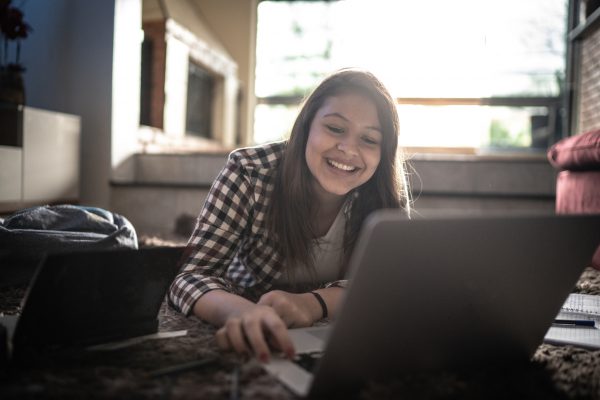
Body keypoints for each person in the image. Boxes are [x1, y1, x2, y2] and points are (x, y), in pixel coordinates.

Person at [168, 68, 411, 362]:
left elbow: (389, 282)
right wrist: (244, 313)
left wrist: (312, 304)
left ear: (383, 153)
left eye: (369, 140)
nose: (348, 149)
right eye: (335, 128)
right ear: (307, 125)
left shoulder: (383, 189)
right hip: (251, 298)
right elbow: (190, 276)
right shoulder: (249, 171)